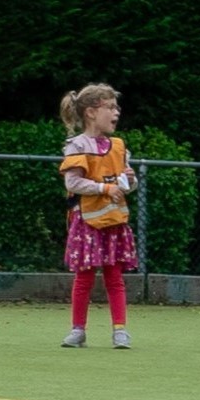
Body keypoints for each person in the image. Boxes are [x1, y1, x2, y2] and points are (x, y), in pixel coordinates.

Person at [57, 83, 135, 349]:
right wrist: (104, 188)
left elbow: (126, 185)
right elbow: (73, 183)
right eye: (110, 107)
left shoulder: (119, 146)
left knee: (115, 277)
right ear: (91, 112)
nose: (116, 112)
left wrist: (129, 181)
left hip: (114, 221)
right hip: (87, 222)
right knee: (84, 278)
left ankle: (120, 331)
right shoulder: (77, 145)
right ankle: (78, 330)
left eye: (117, 107)